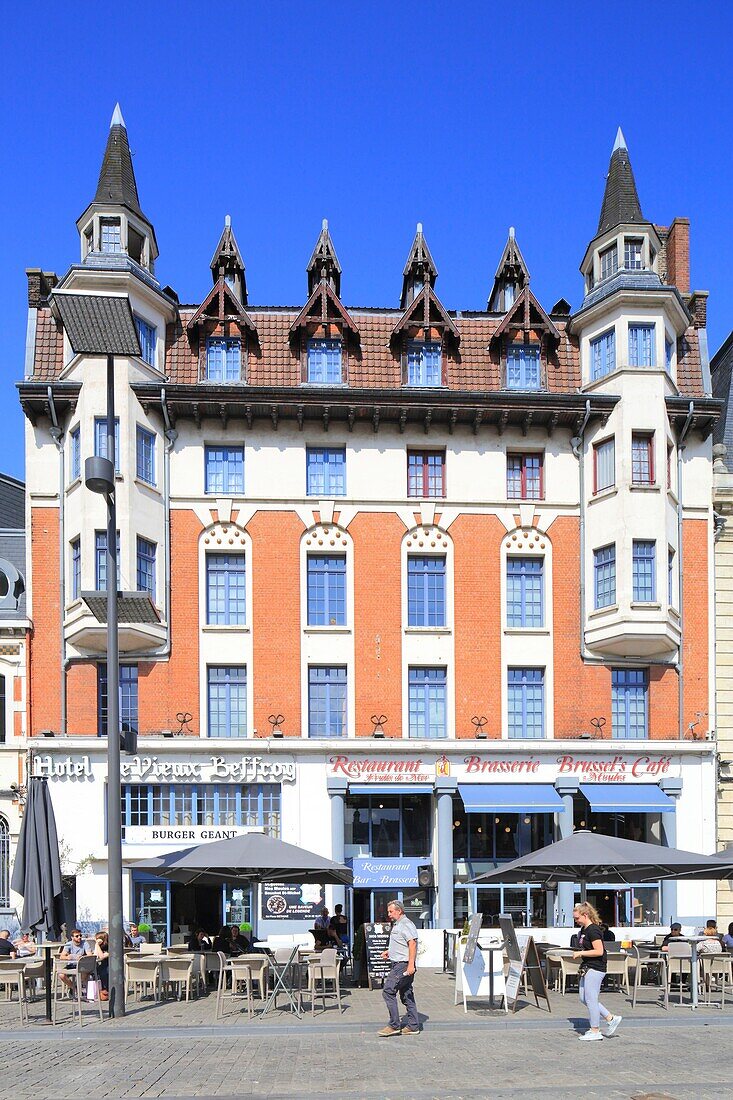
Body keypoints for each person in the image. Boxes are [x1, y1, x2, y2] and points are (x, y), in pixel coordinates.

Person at [571, 902, 622, 1041]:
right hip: (588, 967)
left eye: (577, 918)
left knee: (591, 999)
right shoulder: (584, 930)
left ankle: (595, 1030)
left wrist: (581, 954)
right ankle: (610, 1018)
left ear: (585, 915)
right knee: (584, 998)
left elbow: (599, 951)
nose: (576, 921)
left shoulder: (593, 930)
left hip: (595, 967)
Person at [377, 899, 420, 1037]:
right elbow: (402, 944)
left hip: (402, 965)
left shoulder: (406, 924)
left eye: (391, 911)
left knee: (388, 991)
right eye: (388, 911)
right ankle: (413, 1026)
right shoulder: (398, 924)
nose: (388, 914)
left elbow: (412, 943)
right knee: (406, 994)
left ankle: (394, 1025)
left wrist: (411, 965)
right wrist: (389, 952)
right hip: (400, 963)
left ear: (399, 910)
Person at [94, 931, 110, 1001]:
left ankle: (105, 990)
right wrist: (96, 946)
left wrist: (97, 945)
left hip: (108, 966)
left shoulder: (109, 947)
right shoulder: (100, 947)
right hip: (101, 965)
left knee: (104, 972)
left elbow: (101, 957)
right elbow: (95, 956)